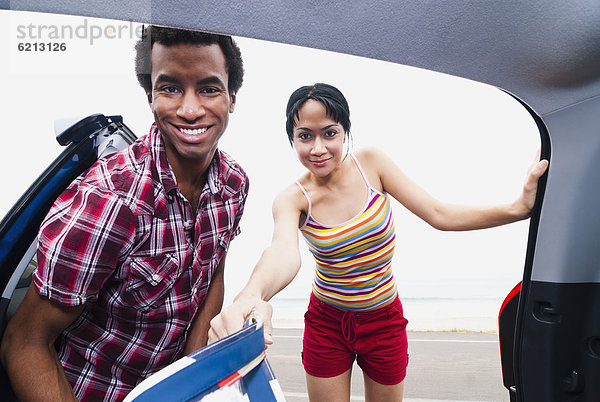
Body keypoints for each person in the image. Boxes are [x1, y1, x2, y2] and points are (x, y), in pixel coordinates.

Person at [208, 83, 549, 401]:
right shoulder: (292, 199)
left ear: (345, 131)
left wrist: (517, 209)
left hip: (384, 321)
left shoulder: (372, 165)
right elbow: (281, 252)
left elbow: (438, 213)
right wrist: (251, 295)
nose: (318, 148)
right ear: (292, 139)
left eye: (329, 133)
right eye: (304, 136)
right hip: (327, 324)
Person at [0, 26, 248, 401]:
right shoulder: (109, 199)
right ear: (150, 97)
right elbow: (24, 343)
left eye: (209, 88)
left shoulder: (234, 185)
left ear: (231, 98)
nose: (190, 109)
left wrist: (189, 380)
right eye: (170, 88)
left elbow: (212, 274)